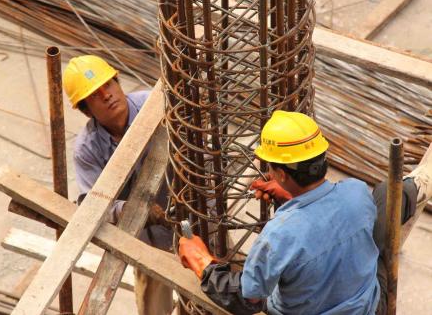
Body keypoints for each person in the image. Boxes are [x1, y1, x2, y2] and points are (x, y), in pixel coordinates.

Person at [178, 110, 432, 315]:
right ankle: (422, 182)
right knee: (388, 195)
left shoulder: (278, 235)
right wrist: (292, 199)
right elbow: (321, 226)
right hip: (370, 305)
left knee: (262, 291)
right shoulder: (356, 192)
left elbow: (249, 299)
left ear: (280, 174)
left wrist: (203, 264)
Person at [63, 55, 173, 315]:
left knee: (224, 291)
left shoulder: (155, 106)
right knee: (154, 310)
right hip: (147, 241)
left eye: (109, 85)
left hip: (195, 216)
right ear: (86, 110)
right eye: (95, 95)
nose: (107, 95)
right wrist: (130, 211)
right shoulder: (88, 149)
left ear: (118, 83)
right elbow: (92, 204)